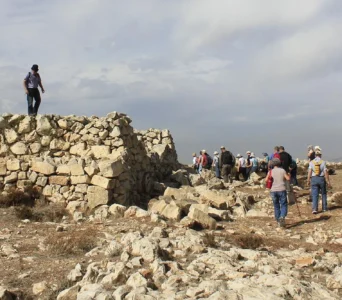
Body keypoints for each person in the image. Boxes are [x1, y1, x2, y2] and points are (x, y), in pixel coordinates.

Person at [265, 158, 291, 227]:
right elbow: (288, 179)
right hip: (282, 189)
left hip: (273, 190)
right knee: (283, 204)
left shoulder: (270, 171)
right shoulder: (282, 170)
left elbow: (266, 180)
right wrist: (289, 175)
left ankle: (278, 220)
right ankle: (282, 216)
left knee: (276, 206)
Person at [307, 149, 332, 214]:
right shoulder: (323, 162)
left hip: (314, 179)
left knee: (315, 194)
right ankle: (324, 208)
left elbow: (309, 172)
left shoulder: (311, 162)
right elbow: (325, 172)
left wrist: (308, 180)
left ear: (315, 155)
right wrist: (328, 181)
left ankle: (315, 209)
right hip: (321, 179)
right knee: (323, 193)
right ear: (320, 155)